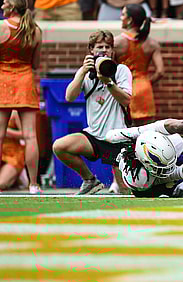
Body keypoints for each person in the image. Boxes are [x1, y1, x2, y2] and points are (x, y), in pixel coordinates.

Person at [52, 30, 133, 195]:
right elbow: (69, 97)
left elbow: (126, 100)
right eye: (99, 47)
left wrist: (108, 82)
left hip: (117, 137)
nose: (104, 50)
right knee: (59, 147)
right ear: (91, 50)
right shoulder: (86, 74)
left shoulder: (121, 70)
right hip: (94, 136)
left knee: (124, 191)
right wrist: (82, 71)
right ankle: (90, 180)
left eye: (108, 47)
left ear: (113, 51)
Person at [0, 0, 42, 194]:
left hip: (3, 82)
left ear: (12, 7)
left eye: (5, 2)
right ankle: (34, 184)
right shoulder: (35, 30)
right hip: (25, 82)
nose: (2, 6)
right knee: (31, 135)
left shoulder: (1, 26)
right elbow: (35, 64)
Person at [117, 130, 183, 197]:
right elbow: (141, 193)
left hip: (173, 160)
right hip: (152, 184)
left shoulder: (172, 143)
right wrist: (169, 189)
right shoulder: (139, 177)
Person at [115, 4, 164, 127]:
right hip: (144, 89)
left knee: (124, 131)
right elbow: (160, 71)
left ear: (130, 19)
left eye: (123, 14)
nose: (121, 17)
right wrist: (147, 82)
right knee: (146, 132)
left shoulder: (116, 42)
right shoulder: (152, 43)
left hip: (123, 90)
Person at [0, 111, 28, 191]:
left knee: (1, 183)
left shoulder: (15, 112)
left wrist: (5, 131)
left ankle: (16, 177)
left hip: (12, 154)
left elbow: (25, 134)